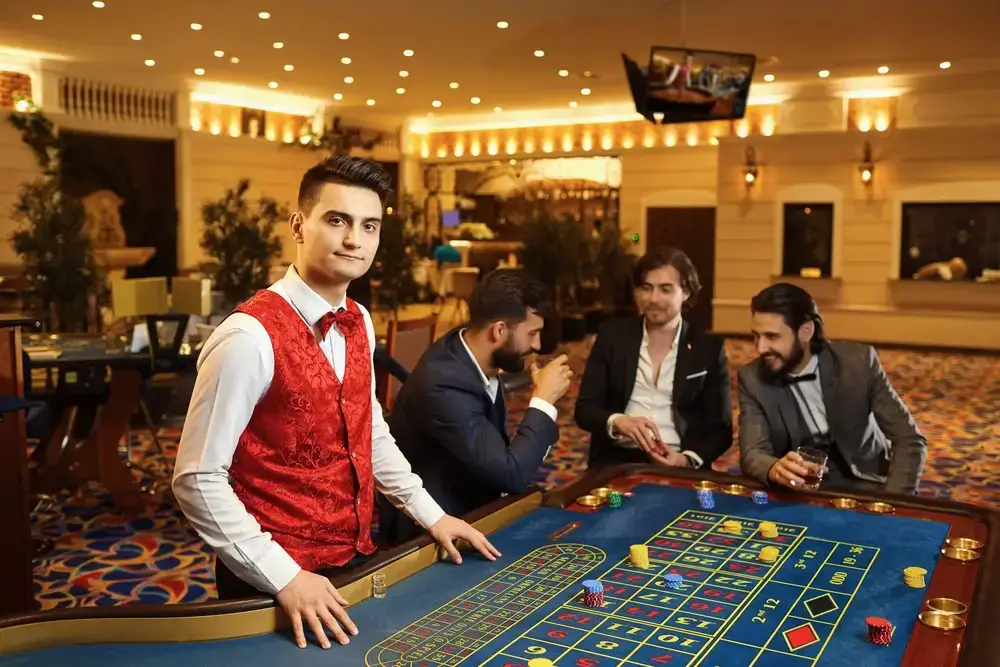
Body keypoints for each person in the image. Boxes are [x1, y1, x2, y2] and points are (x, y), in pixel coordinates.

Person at [172, 156, 500, 651]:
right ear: (298, 226)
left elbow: (370, 434)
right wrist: (285, 577)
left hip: (352, 558)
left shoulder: (359, 320)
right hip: (270, 578)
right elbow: (197, 479)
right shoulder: (247, 336)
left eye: (368, 226)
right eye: (337, 220)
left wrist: (433, 516)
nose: (354, 240)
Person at [378, 268, 572, 546]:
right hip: (429, 535)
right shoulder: (444, 384)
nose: (537, 344)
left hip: (474, 505)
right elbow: (511, 474)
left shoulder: (472, 349)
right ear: (499, 330)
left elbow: (502, 461)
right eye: (532, 333)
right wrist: (544, 400)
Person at [738, 282, 927, 494]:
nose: (760, 348)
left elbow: (909, 440)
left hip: (868, 480)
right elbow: (753, 452)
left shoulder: (858, 362)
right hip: (800, 489)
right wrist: (774, 469)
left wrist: (894, 504)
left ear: (806, 331)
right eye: (756, 335)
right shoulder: (752, 377)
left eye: (772, 336)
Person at [575, 247, 732, 469]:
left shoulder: (708, 347)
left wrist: (686, 459)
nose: (653, 299)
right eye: (646, 288)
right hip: (617, 459)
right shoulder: (613, 337)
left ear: (685, 291)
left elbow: (721, 429)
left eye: (665, 289)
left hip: (680, 459)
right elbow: (585, 410)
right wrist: (618, 421)